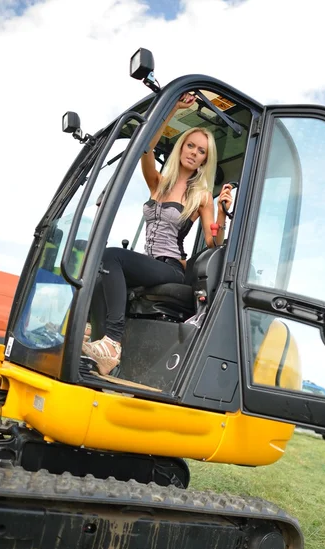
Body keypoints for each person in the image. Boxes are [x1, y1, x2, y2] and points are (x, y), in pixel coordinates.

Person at [82, 93, 233, 376]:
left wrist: (223, 214)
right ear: (181, 147)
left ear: (204, 161)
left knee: (111, 256)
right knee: (98, 272)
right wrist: (172, 108)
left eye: (201, 151)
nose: (194, 153)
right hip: (150, 262)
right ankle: (101, 349)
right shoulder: (159, 184)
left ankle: (113, 341)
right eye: (190, 145)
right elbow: (146, 150)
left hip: (172, 268)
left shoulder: (201, 196)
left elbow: (215, 243)